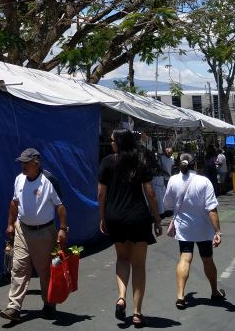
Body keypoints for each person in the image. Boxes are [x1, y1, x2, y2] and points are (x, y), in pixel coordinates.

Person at [97, 129, 162, 328]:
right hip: (137, 216)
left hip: (114, 216)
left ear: (119, 142)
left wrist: (102, 216)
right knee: (139, 264)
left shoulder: (107, 162)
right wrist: (157, 219)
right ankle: (137, 313)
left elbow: (100, 192)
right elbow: (150, 193)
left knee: (122, 258)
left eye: (112, 140)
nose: (110, 143)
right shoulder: (141, 161)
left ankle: (121, 298)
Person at [0, 148, 67, 322]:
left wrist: (63, 229)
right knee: (18, 268)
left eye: (26, 162)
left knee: (45, 270)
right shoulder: (19, 179)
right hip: (22, 230)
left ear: (36, 163)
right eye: (21, 162)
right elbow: (14, 202)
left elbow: (60, 205)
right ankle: (14, 307)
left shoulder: (48, 180)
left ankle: (49, 304)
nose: (22, 165)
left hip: (44, 232)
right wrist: (10, 224)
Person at [163, 153, 226, 310]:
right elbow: (212, 209)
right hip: (203, 228)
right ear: (195, 165)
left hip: (184, 228)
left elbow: (167, 204)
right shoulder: (204, 181)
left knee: (185, 258)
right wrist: (218, 232)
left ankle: (180, 295)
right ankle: (214, 291)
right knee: (207, 259)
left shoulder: (173, 180)